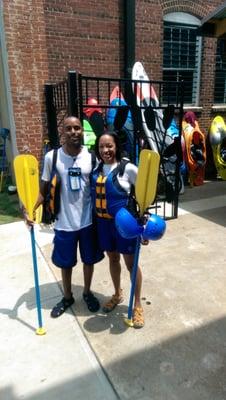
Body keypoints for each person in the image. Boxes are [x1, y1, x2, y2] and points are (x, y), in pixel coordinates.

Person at [25, 116, 104, 318]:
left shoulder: (92, 157)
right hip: (63, 223)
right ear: (63, 132)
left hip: (87, 221)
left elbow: (103, 184)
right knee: (65, 263)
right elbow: (43, 190)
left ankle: (87, 292)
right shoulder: (52, 157)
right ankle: (67, 296)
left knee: (89, 260)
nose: (73, 132)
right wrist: (31, 210)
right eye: (68, 128)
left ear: (82, 131)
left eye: (77, 128)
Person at [90, 131, 145, 328]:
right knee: (113, 259)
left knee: (131, 264)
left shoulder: (128, 168)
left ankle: (137, 304)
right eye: (102, 146)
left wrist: (143, 225)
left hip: (125, 225)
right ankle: (117, 293)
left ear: (116, 146)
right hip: (104, 225)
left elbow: (144, 197)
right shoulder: (96, 170)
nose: (105, 150)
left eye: (109, 146)